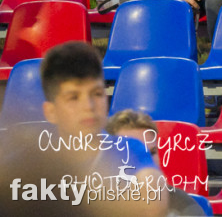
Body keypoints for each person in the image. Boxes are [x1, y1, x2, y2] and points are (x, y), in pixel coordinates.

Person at [0, 41, 175, 215]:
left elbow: (153, 196)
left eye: (97, 94)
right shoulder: (23, 167)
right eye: (73, 97)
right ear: (50, 111)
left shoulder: (131, 150)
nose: (89, 106)